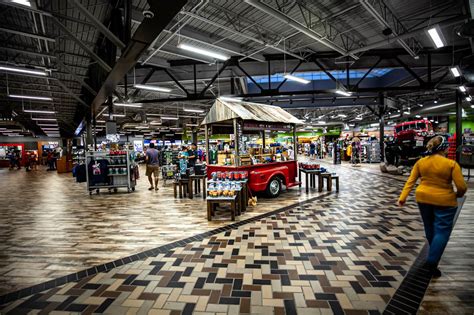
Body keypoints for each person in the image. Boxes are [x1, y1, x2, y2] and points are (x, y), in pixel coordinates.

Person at [398, 136, 467, 277]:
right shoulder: (451, 164)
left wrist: (402, 198)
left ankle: (433, 252)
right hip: (445, 200)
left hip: (423, 198)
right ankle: (432, 260)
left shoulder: (420, 162)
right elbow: (461, 186)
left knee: (429, 227)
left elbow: (410, 181)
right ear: (444, 148)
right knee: (442, 231)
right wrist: (458, 194)